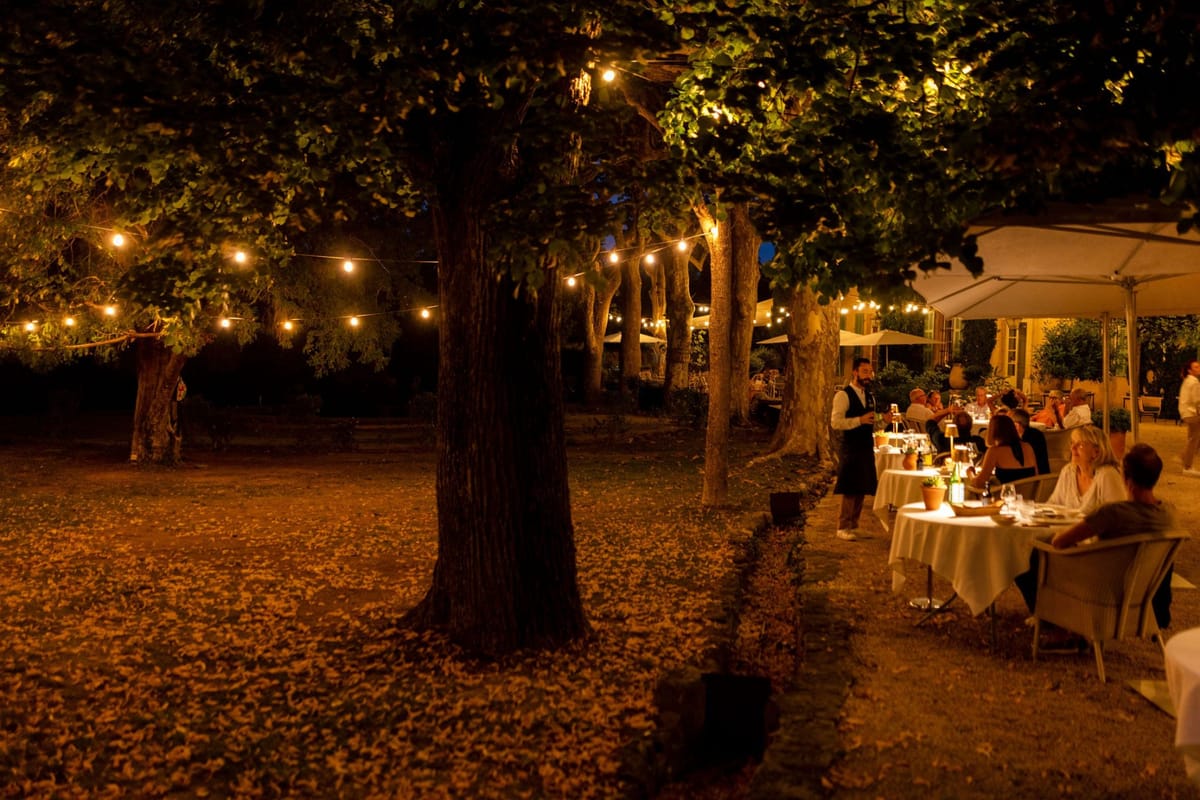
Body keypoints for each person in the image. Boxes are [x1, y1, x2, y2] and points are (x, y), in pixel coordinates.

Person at [1015, 444, 1175, 629]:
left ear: (1125, 477)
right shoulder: (1168, 513)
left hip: (1103, 589)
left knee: (1026, 556)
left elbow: (1060, 542)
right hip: (1144, 589)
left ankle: (1046, 615)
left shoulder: (1112, 513)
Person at [830, 357, 894, 541]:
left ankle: (854, 525)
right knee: (850, 487)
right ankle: (842, 527)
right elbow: (836, 423)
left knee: (861, 486)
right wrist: (859, 420)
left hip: (866, 447)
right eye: (865, 371)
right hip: (850, 447)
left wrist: (884, 421)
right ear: (855, 372)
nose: (868, 375)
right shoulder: (843, 395)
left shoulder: (869, 397)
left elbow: (871, 425)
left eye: (870, 372)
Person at [1045, 424, 1125, 515]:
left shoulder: (1107, 475)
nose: (1072, 448)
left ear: (1096, 452)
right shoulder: (1068, 471)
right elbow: (1053, 505)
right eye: (1072, 443)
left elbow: (1117, 516)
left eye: (1080, 445)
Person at [971, 414, 1038, 488]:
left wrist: (971, 473)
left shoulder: (994, 451)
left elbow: (979, 484)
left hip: (1006, 494)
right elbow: (1036, 475)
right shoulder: (1028, 447)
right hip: (1030, 493)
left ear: (992, 431)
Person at [1011, 407, 1050, 476]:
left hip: (1032, 478)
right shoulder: (1036, 433)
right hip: (1041, 475)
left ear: (1017, 425)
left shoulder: (1030, 439)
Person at [1179, 359, 1200, 477]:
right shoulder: (1194, 382)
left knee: (1194, 438)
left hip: (1186, 412)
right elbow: (1197, 400)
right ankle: (1187, 466)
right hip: (1192, 413)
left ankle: (1184, 457)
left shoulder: (1187, 380)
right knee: (1194, 439)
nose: (1199, 369)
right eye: (1196, 367)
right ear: (1190, 370)